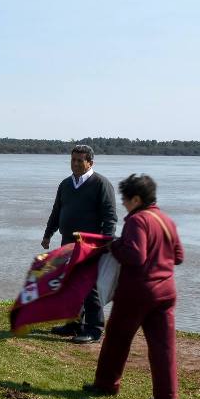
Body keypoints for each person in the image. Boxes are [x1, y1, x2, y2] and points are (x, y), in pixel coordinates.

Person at [83, 174, 184, 399]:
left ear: (136, 199)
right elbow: (178, 257)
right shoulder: (166, 220)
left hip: (137, 292)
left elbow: (135, 256)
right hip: (166, 292)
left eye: (125, 199)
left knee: (117, 338)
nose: (123, 204)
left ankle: (106, 384)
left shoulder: (137, 221)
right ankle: (166, 398)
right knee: (164, 346)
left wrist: (115, 245)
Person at [42, 145, 117, 343]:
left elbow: (110, 218)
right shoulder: (65, 184)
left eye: (79, 160)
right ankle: (73, 324)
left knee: (88, 285)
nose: (75, 164)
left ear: (90, 162)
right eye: (72, 160)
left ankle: (94, 329)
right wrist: (48, 234)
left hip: (90, 245)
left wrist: (105, 243)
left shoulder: (101, 184)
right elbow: (57, 211)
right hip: (67, 242)